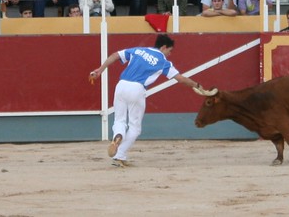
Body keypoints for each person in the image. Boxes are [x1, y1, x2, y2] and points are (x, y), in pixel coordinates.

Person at [88, 34, 215, 167]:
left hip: (121, 85)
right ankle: (119, 155)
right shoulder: (164, 62)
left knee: (119, 120)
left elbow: (115, 55)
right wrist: (197, 86)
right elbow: (181, 79)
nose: (169, 54)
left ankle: (118, 136)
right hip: (137, 89)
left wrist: (99, 70)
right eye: (170, 51)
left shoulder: (138, 50)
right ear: (164, 47)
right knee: (135, 127)